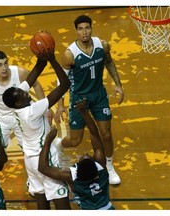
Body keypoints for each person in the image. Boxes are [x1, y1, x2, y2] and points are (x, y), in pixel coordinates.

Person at [54, 15, 124, 185]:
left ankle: (109, 165)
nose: (84, 32)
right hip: (79, 99)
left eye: (87, 28)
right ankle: (58, 145)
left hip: (99, 94)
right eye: (80, 29)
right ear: (76, 31)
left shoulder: (102, 45)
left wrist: (118, 85)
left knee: (106, 133)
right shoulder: (70, 55)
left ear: (91, 29)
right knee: (75, 140)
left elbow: (109, 63)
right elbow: (61, 80)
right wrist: (60, 105)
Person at [2, 49, 71, 209]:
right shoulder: (31, 111)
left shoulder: (17, 105)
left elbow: (32, 76)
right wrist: (53, 59)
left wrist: (42, 55)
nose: (26, 93)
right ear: (18, 102)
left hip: (31, 161)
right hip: (45, 157)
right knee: (63, 204)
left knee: (42, 204)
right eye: (22, 94)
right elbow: (65, 84)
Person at [39, 98, 115, 210]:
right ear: (95, 165)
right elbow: (94, 134)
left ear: (77, 168)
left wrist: (48, 140)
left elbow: (43, 168)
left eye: (82, 157)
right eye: (88, 155)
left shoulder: (70, 176)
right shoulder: (102, 168)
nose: (84, 153)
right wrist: (85, 113)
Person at [0, 50, 51, 149]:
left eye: (5, 63)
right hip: (1, 118)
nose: (4, 68)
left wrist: (45, 109)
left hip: (21, 115)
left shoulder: (19, 73)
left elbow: (36, 83)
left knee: (29, 147)